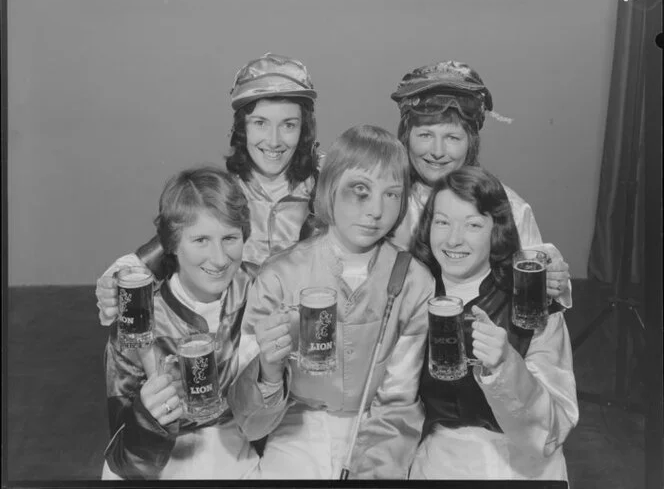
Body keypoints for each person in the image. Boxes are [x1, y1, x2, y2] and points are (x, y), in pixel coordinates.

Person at [227, 125, 435, 479]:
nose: (375, 211)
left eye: (392, 194)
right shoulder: (280, 275)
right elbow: (249, 423)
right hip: (295, 430)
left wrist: (372, 470)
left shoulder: (414, 280)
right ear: (329, 188)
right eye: (360, 191)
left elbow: (399, 401)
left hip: (379, 433)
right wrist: (268, 371)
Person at [95, 53, 320, 326]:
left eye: (288, 125)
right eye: (260, 123)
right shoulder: (222, 192)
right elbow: (161, 252)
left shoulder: (327, 186)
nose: (274, 141)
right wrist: (116, 281)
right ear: (242, 129)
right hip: (234, 343)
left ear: (304, 130)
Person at [408, 166, 578, 480]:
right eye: (442, 222)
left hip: (522, 468)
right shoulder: (411, 295)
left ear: (496, 229)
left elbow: (552, 430)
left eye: (472, 224)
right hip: (437, 465)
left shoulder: (531, 301)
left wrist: (506, 366)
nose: (454, 239)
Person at [102, 166, 260, 480]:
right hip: (161, 461)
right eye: (201, 239)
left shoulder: (261, 288)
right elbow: (124, 459)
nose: (218, 258)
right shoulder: (140, 320)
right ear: (172, 245)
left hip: (239, 449)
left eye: (230, 238)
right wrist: (147, 417)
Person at [389, 60, 572, 309]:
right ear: (406, 137)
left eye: (452, 137)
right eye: (425, 135)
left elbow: (537, 304)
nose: (437, 151)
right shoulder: (387, 201)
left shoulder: (509, 208)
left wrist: (552, 282)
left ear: (471, 142)